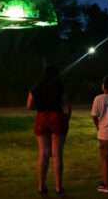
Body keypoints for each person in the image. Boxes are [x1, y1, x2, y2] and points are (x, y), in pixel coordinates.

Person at [27, 65, 71, 196]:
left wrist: (40, 106)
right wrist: (67, 118)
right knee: (57, 154)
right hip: (56, 117)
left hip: (41, 118)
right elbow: (66, 105)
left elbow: (29, 106)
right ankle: (58, 187)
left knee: (43, 153)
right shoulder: (59, 86)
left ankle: (41, 186)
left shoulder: (36, 87)